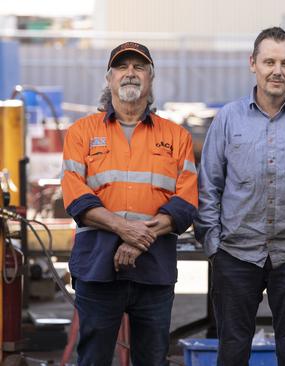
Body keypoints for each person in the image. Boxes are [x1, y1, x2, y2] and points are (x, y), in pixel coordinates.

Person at [194, 27, 285, 366]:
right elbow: (208, 186)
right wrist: (214, 247)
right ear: (252, 63)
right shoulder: (228, 119)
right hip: (236, 256)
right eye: (269, 61)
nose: (277, 70)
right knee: (232, 351)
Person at [61, 41, 198, 365]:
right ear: (109, 79)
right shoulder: (81, 133)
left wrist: (138, 242)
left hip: (154, 269)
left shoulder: (176, 136)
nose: (131, 73)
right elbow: (75, 196)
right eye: (122, 67)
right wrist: (125, 229)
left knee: (152, 359)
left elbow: (186, 202)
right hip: (97, 268)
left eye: (139, 67)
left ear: (151, 79)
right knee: (93, 359)